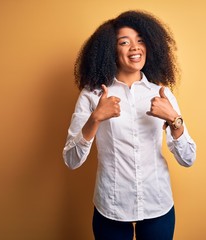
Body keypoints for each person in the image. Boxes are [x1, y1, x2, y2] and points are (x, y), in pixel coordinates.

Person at [63, 10, 196, 240]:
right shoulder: (93, 94)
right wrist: (95, 119)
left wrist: (174, 120)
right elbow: (71, 160)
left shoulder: (161, 93)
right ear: (111, 50)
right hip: (112, 206)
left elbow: (188, 159)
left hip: (158, 203)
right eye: (125, 42)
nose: (135, 47)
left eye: (140, 40)